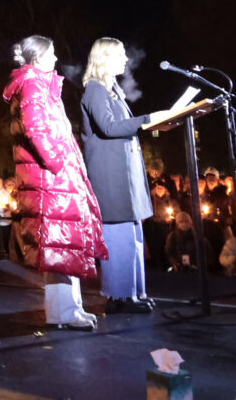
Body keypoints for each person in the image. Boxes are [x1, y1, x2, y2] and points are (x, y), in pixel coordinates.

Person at [2, 35, 107, 331]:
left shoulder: (40, 82)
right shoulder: (34, 82)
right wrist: (57, 163)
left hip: (53, 178)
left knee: (64, 245)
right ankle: (64, 312)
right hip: (50, 179)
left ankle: (69, 310)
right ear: (37, 58)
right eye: (51, 53)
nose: (56, 58)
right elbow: (35, 127)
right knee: (60, 245)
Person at [79, 37, 166, 314]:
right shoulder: (94, 90)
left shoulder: (111, 89)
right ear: (104, 57)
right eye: (120, 55)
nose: (126, 60)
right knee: (118, 237)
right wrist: (148, 119)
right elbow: (109, 127)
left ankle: (134, 292)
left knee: (132, 236)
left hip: (123, 175)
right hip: (110, 177)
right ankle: (118, 297)